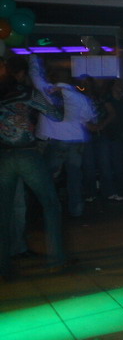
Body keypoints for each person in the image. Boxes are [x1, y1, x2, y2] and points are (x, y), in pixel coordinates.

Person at [1, 56, 67, 280]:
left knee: (4, 212)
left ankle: (3, 266)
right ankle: (56, 258)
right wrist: (56, 99)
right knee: (51, 204)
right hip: (27, 153)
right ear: (21, 74)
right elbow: (56, 115)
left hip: (4, 156)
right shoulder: (27, 93)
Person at [30, 57, 97, 218]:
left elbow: (35, 76)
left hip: (57, 140)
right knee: (75, 176)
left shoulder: (47, 91)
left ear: (53, 78)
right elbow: (89, 118)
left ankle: (51, 210)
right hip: (76, 141)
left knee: (48, 176)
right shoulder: (80, 98)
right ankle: (76, 210)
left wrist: (33, 59)